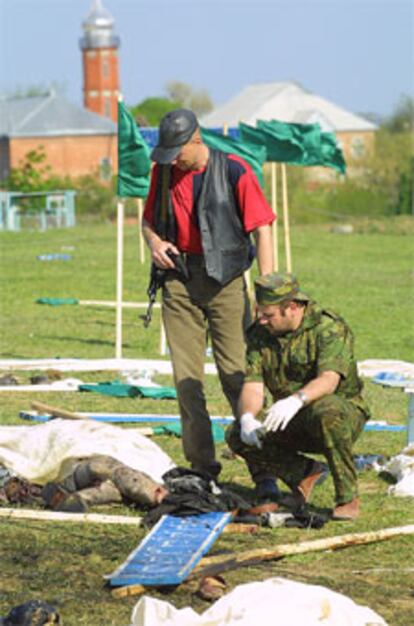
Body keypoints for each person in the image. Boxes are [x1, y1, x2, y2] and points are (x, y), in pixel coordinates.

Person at [142, 109, 274, 481]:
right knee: (187, 383)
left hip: (227, 282)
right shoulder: (163, 172)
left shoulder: (235, 170)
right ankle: (203, 470)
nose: (172, 161)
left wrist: (267, 292)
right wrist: (153, 242)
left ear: (196, 140)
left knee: (237, 376)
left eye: (176, 152)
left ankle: (264, 471)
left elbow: (263, 231)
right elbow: (148, 218)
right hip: (178, 280)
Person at [226, 272, 370, 520]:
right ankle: (305, 473)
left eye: (268, 315)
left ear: (291, 308)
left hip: (339, 415)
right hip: (291, 419)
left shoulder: (328, 328)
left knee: (328, 412)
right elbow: (253, 384)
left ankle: (347, 498)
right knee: (237, 434)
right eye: (259, 312)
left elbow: (329, 380)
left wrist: (296, 400)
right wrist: (248, 418)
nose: (261, 320)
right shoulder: (260, 335)